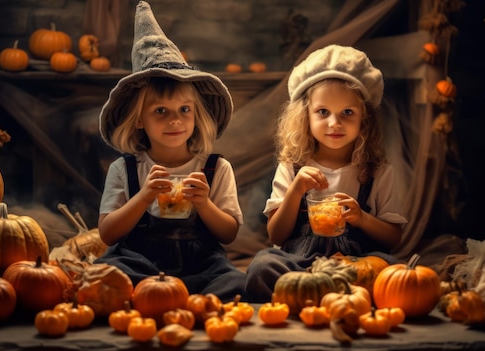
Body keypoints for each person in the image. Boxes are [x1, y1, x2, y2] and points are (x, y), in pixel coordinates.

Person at [94, 1, 245, 302]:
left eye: (184, 109)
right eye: (160, 111)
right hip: (141, 263)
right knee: (106, 274)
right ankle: (165, 298)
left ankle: (179, 299)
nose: (175, 119)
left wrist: (204, 203)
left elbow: (228, 233)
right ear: (139, 119)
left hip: (201, 263)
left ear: (196, 113)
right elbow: (108, 233)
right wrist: (144, 196)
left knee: (238, 284)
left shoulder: (215, 169)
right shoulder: (125, 169)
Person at [245, 45, 408, 302]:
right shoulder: (292, 166)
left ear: (364, 117)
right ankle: (328, 293)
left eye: (347, 112)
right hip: (301, 260)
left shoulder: (377, 170)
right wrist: (296, 191)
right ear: (305, 116)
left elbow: (394, 238)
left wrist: (362, 218)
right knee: (263, 266)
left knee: (391, 269)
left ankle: (314, 296)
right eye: (323, 112)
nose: (335, 123)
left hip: (355, 262)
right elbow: (276, 236)